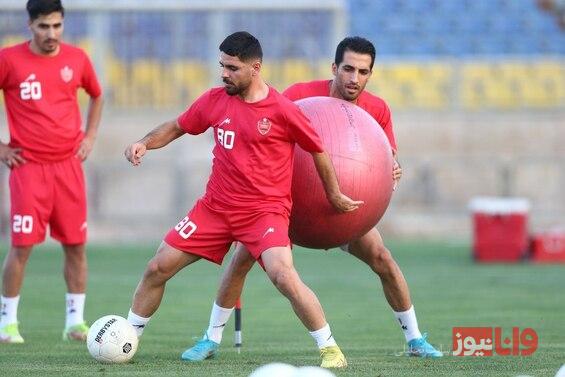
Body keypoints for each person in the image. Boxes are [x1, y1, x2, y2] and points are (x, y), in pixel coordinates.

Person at [182, 36, 444, 361]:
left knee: (383, 259)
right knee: (241, 259)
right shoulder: (299, 95)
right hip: (285, 208)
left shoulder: (378, 110)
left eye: (363, 72)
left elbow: (385, 160)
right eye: (348, 69)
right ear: (335, 67)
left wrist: (394, 168)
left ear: (370, 74)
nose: (354, 78)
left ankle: (415, 339)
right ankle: (211, 338)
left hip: (344, 210)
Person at [124, 31, 361, 369]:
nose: (224, 74)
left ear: (255, 68)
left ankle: (330, 348)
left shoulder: (282, 109)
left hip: (265, 212)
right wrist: (145, 142)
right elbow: (177, 126)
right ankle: (127, 339)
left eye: (232, 68)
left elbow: (318, 150)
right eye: (222, 66)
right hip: (215, 209)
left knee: (283, 275)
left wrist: (334, 194)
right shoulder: (214, 100)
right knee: (156, 267)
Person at [0, 0, 103, 343]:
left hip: (68, 167)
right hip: (28, 168)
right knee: (22, 246)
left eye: (57, 25)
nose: (52, 33)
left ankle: (75, 322)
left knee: (76, 245)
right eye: (44, 26)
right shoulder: (9, 60)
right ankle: (7, 323)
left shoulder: (77, 58)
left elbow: (97, 95)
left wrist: (89, 137)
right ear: (30, 25)